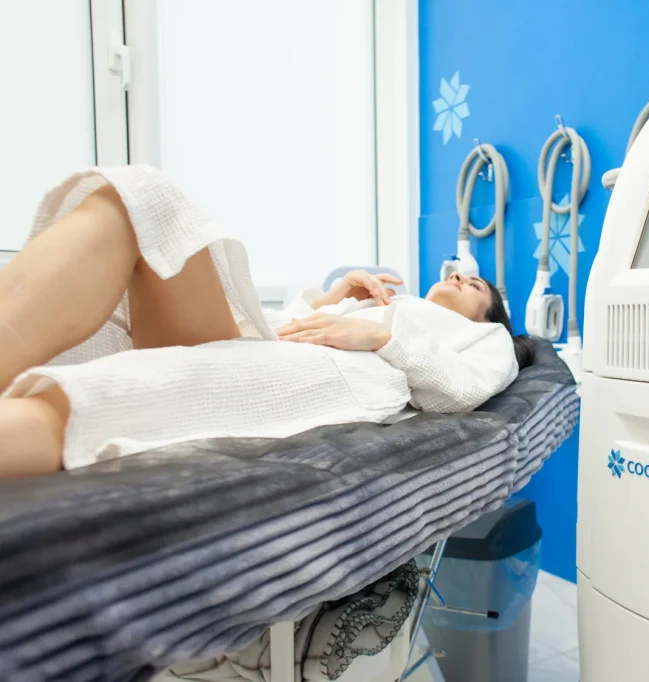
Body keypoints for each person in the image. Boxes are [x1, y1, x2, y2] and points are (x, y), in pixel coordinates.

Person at [0, 166, 534, 480]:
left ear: (489, 315)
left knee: (114, 393)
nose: (464, 279)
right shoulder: (387, 303)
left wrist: (382, 335)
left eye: (477, 287)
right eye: (462, 276)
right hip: (264, 342)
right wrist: (330, 302)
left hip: (326, 377)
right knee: (140, 200)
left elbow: (459, 392)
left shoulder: (488, 341)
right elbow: (288, 330)